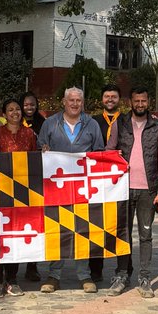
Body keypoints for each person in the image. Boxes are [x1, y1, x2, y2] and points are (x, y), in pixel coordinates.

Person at [37, 87, 104, 292]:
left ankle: (84, 276)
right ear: (63, 102)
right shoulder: (50, 123)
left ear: (83, 103)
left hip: (83, 189)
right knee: (58, 229)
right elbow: (39, 146)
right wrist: (43, 150)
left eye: (78, 100)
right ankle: (53, 275)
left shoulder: (92, 124)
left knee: (82, 229)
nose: (75, 104)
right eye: (71, 100)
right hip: (56, 188)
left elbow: (100, 153)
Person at [106, 87, 158, 298]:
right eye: (136, 101)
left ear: (148, 101)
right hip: (123, 188)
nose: (140, 104)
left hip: (148, 190)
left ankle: (144, 277)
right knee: (122, 234)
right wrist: (115, 154)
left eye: (143, 100)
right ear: (130, 102)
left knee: (146, 234)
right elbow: (108, 151)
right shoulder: (120, 123)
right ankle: (122, 275)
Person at [0, 98, 38, 297]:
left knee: (15, 236)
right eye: (10, 109)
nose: (15, 112)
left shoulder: (29, 133)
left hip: (22, 193)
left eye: (18, 109)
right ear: (4, 114)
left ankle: (12, 279)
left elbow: (34, 159)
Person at [90, 84, 121, 287]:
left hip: (119, 181)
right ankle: (95, 270)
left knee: (120, 225)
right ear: (102, 99)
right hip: (96, 180)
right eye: (106, 96)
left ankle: (122, 269)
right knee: (96, 224)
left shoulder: (125, 121)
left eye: (114, 96)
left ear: (119, 99)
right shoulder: (92, 122)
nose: (110, 99)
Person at [21, 93, 46, 281]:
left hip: (36, 177)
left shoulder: (43, 123)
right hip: (15, 177)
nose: (29, 107)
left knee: (33, 223)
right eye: (26, 104)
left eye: (32, 104)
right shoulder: (14, 121)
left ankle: (32, 266)